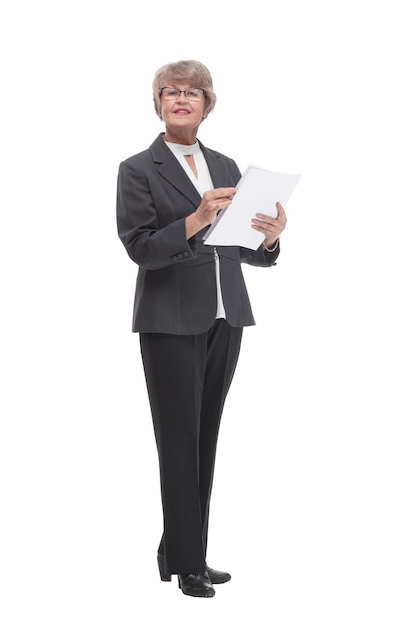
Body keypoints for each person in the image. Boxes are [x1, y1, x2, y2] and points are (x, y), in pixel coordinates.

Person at [116, 59, 287, 598]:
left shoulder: (226, 163)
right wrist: (193, 220)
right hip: (169, 318)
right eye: (171, 92)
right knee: (179, 439)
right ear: (159, 103)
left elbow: (240, 250)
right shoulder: (138, 168)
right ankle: (188, 562)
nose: (182, 99)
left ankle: (183, 549)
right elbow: (140, 247)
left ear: (207, 103)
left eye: (193, 92)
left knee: (204, 435)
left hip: (224, 314)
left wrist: (269, 237)